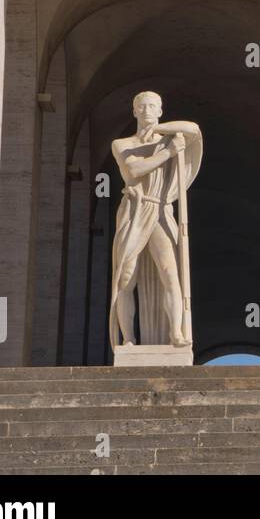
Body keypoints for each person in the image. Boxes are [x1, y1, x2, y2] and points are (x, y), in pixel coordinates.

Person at [107, 90, 202, 349]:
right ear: (134, 111)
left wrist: (158, 130)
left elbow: (192, 129)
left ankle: (176, 334)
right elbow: (134, 170)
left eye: (152, 106)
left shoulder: (166, 138)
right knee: (127, 276)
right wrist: (168, 152)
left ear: (160, 111)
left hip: (160, 209)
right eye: (141, 106)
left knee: (170, 273)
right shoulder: (122, 144)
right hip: (134, 210)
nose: (147, 110)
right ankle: (128, 339)